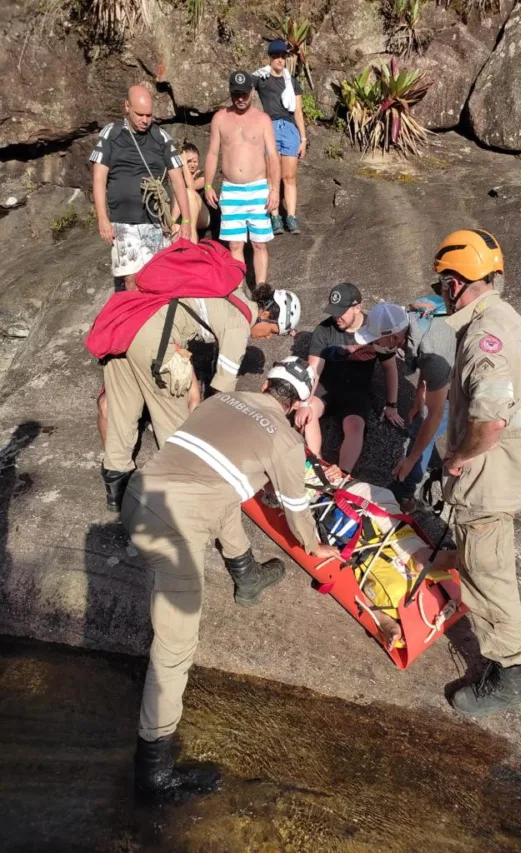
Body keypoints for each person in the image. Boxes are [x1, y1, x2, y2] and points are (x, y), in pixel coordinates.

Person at [122, 356, 340, 797]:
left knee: (223, 496)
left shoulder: (218, 403)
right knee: (174, 650)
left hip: (137, 497)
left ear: (265, 383)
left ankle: (247, 576)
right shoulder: (285, 439)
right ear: (301, 404)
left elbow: (217, 474)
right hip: (174, 532)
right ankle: (153, 772)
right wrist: (316, 546)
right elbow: (297, 512)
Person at [435, 228, 521, 717]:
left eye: (443, 282)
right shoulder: (510, 318)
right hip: (515, 466)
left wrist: (459, 457)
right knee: (485, 553)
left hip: (491, 474)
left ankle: (508, 674)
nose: (441, 291)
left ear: (457, 282)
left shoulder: (484, 337)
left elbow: (491, 419)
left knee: (487, 568)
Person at [101, 283, 302, 511]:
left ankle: (116, 494)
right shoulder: (239, 327)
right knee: (174, 426)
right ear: (265, 313)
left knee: (122, 413)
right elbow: (220, 396)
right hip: (157, 341)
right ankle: (179, 498)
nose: (267, 337)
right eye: (273, 331)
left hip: (130, 324)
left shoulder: (232, 292)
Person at [354, 301, 455, 513]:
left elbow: (434, 415)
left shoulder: (432, 353)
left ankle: (405, 492)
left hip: (465, 380)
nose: (373, 345)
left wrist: (410, 459)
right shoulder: (410, 316)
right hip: (447, 360)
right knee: (424, 419)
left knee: (424, 429)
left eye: (375, 340)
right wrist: (420, 393)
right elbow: (421, 356)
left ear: (394, 338)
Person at [90, 85, 192, 291]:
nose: (145, 120)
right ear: (127, 106)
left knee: (157, 276)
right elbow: (99, 178)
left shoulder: (161, 137)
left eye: (149, 115)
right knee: (131, 279)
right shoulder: (111, 134)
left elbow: (178, 180)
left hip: (155, 220)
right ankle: (138, 320)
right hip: (123, 221)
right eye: (140, 114)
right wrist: (102, 218)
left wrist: (186, 220)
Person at [295, 284, 404, 475]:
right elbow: (315, 368)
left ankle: (343, 473)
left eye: (342, 312)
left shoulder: (375, 328)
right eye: (334, 312)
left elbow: (389, 368)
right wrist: (304, 402)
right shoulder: (324, 330)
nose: (337, 317)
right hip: (327, 385)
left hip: (356, 389)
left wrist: (392, 405)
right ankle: (317, 466)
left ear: (357, 307)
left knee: (355, 426)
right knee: (308, 411)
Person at [203, 71, 280, 285]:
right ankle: (238, 290)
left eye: (244, 94)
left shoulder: (263, 119)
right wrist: (208, 185)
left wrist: (275, 190)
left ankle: (261, 289)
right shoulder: (220, 118)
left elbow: (273, 156)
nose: (240, 98)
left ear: (252, 92)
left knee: (259, 244)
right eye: (236, 93)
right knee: (235, 245)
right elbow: (212, 153)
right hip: (231, 190)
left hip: (258, 188)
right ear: (230, 91)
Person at [252, 39, 306, 235]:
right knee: (271, 175)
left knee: (289, 176)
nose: (279, 60)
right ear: (270, 58)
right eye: (275, 56)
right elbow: (244, 92)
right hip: (270, 127)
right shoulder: (261, 78)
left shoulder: (291, 82)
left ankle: (291, 217)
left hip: (290, 128)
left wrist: (303, 139)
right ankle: (274, 216)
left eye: (282, 56)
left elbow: (298, 111)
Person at [171, 142, 210, 242]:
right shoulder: (177, 176)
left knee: (188, 192)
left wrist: (183, 162)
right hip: (182, 217)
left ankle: (193, 241)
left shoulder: (202, 175)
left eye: (195, 161)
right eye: (189, 161)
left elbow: (191, 186)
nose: (193, 165)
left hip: (203, 216)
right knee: (175, 228)